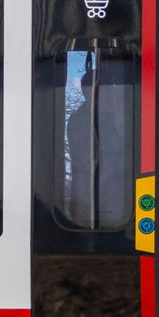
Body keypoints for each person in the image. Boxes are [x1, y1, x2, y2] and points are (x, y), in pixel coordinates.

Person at [65, 65, 130, 228]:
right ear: (89, 93)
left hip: (116, 200)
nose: (111, 96)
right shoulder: (78, 121)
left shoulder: (115, 117)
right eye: (107, 91)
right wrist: (111, 118)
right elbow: (93, 160)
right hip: (89, 201)